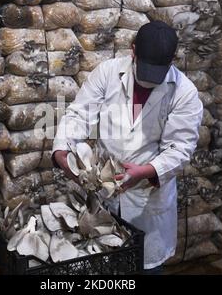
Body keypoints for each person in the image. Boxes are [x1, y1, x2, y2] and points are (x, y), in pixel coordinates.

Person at [51, 21, 204, 273]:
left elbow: (180, 148)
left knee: (145, 266)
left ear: (171, 60)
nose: (150, 79)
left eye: (158, 72)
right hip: (104, 194)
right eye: (146, 70)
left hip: (147, 199)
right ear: (133, 51)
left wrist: (146, 171)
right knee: (107, 266)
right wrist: (62, 150)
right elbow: (79, 115)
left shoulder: (184, 92)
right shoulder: (108, 73)